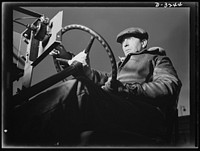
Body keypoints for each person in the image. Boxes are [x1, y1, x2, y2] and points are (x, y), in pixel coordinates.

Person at [10, 27, 182, 146]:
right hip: (117, 107)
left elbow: (169, 86)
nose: (125, 44)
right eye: (122, 42)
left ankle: (12, 129)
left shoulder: (156, 59)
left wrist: (125, 89)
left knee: (79, 89)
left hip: (143, 115)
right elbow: (102, 78)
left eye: (130, 39)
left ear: (144, 43)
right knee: (71, 133)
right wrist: (70, 59)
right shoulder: (120, 67)